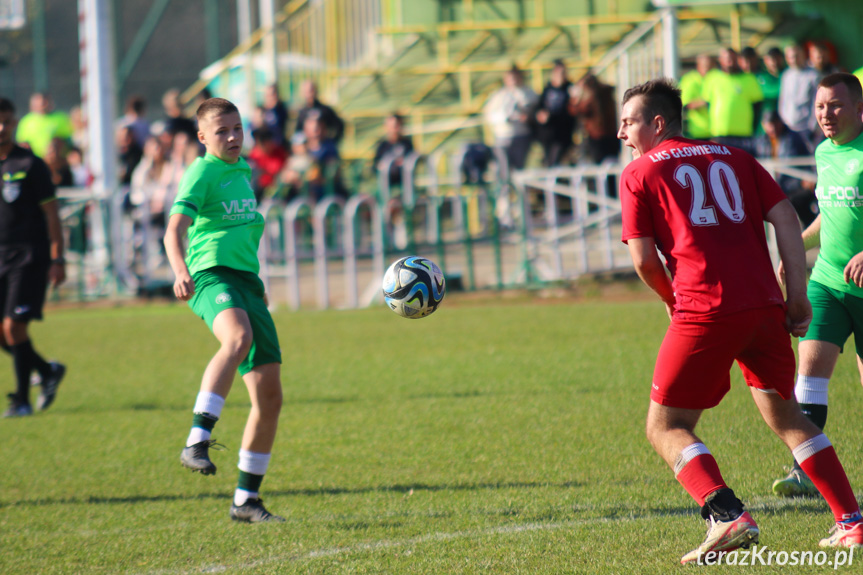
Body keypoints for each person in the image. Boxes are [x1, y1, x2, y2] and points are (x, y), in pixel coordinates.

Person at [617, 78, 863, 562]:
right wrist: (796, 296)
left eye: (629, 122)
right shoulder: (737, 157)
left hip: (704, 310)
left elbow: (644, 261)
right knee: (788, 415)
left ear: (658, 123)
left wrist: (671, 298)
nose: (622, 133)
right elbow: (788, 220)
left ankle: (725, 514)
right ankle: (852, 522)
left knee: (666, 425)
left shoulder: (639, 173)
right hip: (762, 308)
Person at [164, 97, 284, 523]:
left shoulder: (242, 171)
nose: (233, 137)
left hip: (247, 285)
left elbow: (240, 235)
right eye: (222, 131)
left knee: (269, 398)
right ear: (202, 138)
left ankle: (246, 501)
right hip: (209, 276)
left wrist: (257, 287)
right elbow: (173, 229)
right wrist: (180, 271)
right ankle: (197, 439)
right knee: (237, 338)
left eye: (237, 128)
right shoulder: (203, 170)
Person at [770, 73, 863, 498]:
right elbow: (831, 215)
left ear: (859, 109)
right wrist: (792, 248)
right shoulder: (824, 152)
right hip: (827, 280)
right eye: (821, 106)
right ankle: (805, 470)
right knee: (807, 372)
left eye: (836, 105)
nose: (826, 114)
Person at [0, 98, 67, 418]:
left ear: (14, 124)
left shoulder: (30, 164)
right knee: (4, 332)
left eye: (7, 122)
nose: (1, 128)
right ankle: (46, 370)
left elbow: (52, 214)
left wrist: (58, 258)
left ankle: (21, 400)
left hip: (28, 255)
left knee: (14, 327)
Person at [755, 110, 817, 226]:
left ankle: (809, 233)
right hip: (780, 188)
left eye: (774, 124)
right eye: (769, 125)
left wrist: (801, 182)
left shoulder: (792, 139)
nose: (772, 128)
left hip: (795, 186)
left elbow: (795, 169)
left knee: (793, 202)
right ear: (764, 125)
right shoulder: (762, 141)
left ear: (780, 123)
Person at [701, 47, 763, 156]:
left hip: (743, 134)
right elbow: (707, 104)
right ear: (720, 60)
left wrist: (752, 128)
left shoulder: (749, 79)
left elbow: (757, 107)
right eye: (726, 58)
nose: (730, 61)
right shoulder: (712, 78)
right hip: (720, 134)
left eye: (732, 58)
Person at [483, 66, 538, 171]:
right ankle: (505, 187)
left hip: (522, 134)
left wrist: (529, 117)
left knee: (519, 167)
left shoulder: (529, 94)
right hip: (503, 135)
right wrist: (505, 118)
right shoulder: (499, 96)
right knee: (504, 167)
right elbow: (489, 115)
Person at [569, 73, 620, 164]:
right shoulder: (606, 91)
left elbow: (578, 110)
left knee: (600, 163)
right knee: (611, 162)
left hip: (597, 135)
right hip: (611, 132)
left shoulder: (589, 96)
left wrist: (575, 99)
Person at [534, 60, 577, 166]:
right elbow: (539, 107)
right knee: (548, 161)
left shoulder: (570, 89)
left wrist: (552, 117)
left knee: (556, 160)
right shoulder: (547, 89)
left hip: (563, 133)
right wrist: (540, 115)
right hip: (547, 134)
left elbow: (571, 112)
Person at [778, 43, 820, 151]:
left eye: (797, 56)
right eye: (791, 57)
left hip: (808, 129)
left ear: (803, 55)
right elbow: (783, 100)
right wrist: (784, 122)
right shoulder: (786, 75)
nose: (794, 59)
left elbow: (816, 102)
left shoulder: (814, 75)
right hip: (789, 129)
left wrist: (813, 126)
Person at [15, 93, 73, 159]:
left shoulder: (60, 118)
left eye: (44, 102)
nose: (42, 105)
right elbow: (22, 143)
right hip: (34, 160)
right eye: (39, 103)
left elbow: (67, 139)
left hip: (56, 160)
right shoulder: (26, 121)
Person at [679, 53, 715, 140]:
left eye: (710, 66)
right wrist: (706, 102)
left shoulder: (716, 78)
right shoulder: (689, 80)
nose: (708, 69)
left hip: (718, 131)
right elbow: (685, 104)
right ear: (698, 66)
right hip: (698, 132)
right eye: (705, 66)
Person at [372, 113, 414, 187]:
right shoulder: (382, 146)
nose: (394, 129)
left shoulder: (407, 144)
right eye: (391, 126)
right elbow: (375, 166)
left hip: (404, 185)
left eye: (396, 126)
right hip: (386, 185)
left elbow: (412, 162)